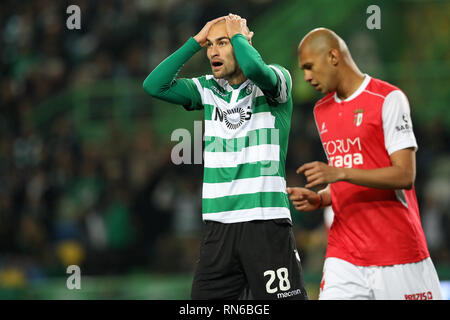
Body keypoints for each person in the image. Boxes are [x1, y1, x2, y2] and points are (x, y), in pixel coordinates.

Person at [143, 14, 307, 300]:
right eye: (210, 45)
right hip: (218, 227)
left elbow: (255, 68)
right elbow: (154, 85)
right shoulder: (207, 89)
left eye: (223, 42)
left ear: (245, 43)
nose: (213, 51)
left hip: (265, 223)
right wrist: (195, 41)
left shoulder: (276, 82)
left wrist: (240, 35)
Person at [287, 27, 443, 300]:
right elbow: (348, 179)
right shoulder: (321, 110)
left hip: (396, 251)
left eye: (309, 67)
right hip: (344, 255)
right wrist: (321, 198)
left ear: (333, 56)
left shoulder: (388, 99)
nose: (307, 77)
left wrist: (340, 173)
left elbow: (404, 175)